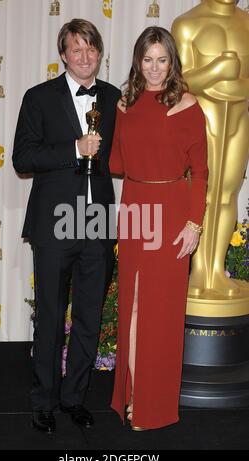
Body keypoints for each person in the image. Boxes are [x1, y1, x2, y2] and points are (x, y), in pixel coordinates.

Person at [12, 18, 121, 434]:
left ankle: (74, 397)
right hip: (55, 222)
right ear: (63, 54)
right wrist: (73, 150)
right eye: (76, 49)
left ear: (99, 52)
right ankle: (43, 401)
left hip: (96, 221)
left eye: (91, 48)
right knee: (52, 316)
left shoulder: (114, 98)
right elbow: (23, 157)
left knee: (89, 318)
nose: (85, 56)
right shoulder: (38, 97)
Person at [109, 26, 208, 430]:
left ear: (172, 62)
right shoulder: (123, 103)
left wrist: (194, 225)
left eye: (161, 60)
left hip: (171, 213)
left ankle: (154, 405)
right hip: (135, 209)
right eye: (147, 60)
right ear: (138, 61)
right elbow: (117, 164)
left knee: (162, 313)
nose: (153, 68)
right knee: (132, 305)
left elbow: (200, 173)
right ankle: (133, 397)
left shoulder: (188, 105)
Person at [172, 0, 249, 297]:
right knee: (201, 194)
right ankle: (198, 271)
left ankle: (216, 269)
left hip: (239, 120)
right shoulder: (187, 24)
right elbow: (178, 81)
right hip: (201, 123)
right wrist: (217, 70)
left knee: (228, 193)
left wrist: (232, 87)